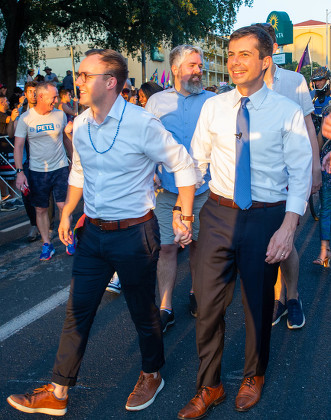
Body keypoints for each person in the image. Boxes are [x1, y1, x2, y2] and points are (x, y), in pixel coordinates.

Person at [7, 48, 196, 417]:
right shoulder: (79, 125)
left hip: (135, 234)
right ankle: (59, 391)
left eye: (84, 76)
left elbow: (184, 166)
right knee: (77, 312)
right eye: (78, 76)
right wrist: (67, 215)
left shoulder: (142, 123)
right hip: (92, 233)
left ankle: (151, 373)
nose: (76, 82)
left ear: (110, 82)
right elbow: (78, 171)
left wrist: (183, 216)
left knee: (143, 312)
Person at [176, 26, 312, 419]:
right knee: (208, 305)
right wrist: (183, 207)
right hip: (217, 213)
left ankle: (254, 375)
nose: (234, 62)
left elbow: (301, 174)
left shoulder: (285, 112)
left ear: (265, 61)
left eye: (244, 55)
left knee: (257, 304)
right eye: (231, 54)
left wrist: (287, 228)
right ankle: (210, 385)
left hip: (266, 217)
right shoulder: (214, 108)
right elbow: (196, 162)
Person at [255, 22, 321, 329]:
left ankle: (291, 298)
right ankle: (275, 300)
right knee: (265, 243)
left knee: (288, 240)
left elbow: (309, 126)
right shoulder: (241, 86)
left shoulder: (294, 80)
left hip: (291, 176)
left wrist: (315, 168)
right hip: (258, 180)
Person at [145, 45, 216, 331]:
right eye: (193, 66)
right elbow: (147, 142)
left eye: (200, 66)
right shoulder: (156, 103)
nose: (200, 71)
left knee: (199, 246)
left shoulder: (213, 102)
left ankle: (196, 293)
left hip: (204, 190)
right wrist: (150, 172)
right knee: (166, 248)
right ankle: (165, 306)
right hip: (168, 189)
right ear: (175, 69)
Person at [14, 82, 73, 260]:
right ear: (41, 97)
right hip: (38, 171)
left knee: (64, 207)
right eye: (53, 97)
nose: (56, 101)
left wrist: (74, 162)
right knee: (40, 209)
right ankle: (47, 244)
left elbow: (65, 139)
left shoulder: (60, 115)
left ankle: (69, 239)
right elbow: (18, 147)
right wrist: (19, 172)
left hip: (61, 167)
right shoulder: (25, 118)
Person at [313, 104, 331, 266]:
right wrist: (315, 167)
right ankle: (324, 250)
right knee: (325, 209)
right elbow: (319, 138)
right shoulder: (326, 111)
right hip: (327, 170)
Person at [0, 95, 20, 209]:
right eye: (6, 100)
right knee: (3, 175)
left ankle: (13, 197)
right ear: (1, 102)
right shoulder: (1, 114)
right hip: (3, 147)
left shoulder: (7, 112)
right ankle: (5, 197)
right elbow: (10, 120)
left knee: (12, 174)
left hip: (9, 146)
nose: (8, 102)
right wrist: (13, 116)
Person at [310, 66, 331, 135]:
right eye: (315, 81)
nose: (317, 83)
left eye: (320, 80)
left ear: (327, 80)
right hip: (315, 130)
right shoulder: (312, 95)